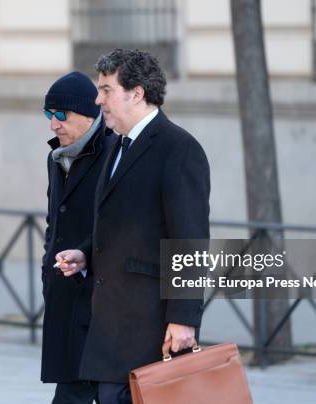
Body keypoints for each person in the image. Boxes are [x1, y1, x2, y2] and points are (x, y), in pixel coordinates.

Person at [55, 49, 211, 404]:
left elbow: (190, 242)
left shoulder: (179, 149)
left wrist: (184, 320)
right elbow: (121, 222)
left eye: (107, 90)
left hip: (150, 331)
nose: (98, 100)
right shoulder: (115, 146)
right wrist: (85, 253)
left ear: (137, 93)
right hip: (110, 330)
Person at [41, 71, 116, 404]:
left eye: (61, 115)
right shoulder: (55, 157)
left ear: (89, 114)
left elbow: (118, 224)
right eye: (48, 114)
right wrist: (48, 269)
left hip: (102, 299)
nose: (53, 124)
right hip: (66, 294)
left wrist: (85, 255)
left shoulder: (115, 153)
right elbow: (53, 220)